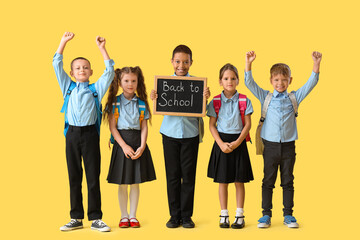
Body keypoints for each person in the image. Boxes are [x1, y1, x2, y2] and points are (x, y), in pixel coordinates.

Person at [244, 51, 322, 228]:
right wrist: (249, 63)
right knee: (267, 180)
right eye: (277, 80)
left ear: (290, 81)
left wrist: (316, 65)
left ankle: (288, 215)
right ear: (271, 81)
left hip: (288, 146)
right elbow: (249, 83)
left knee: (287, 180)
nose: (280, 83)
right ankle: (265, 215)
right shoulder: (266, 97)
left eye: (284, 80)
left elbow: (311, 83)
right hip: (269, 146)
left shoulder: (294, 98)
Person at [53, 32, 114, 232]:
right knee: (74, 176)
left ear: (91, 71)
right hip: (71, 135)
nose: (82, 70)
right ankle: (76, 218)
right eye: (78, 68)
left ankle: (96, 218)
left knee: (92, 175)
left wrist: (102, 48)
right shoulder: (67, 87)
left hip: (90, 135)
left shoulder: (96, 89)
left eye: (85, 67)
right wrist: (63, 42)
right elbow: (56, 64)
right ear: (72, 73)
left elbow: (110, 72)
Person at [150, 45, 210, 228]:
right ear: (172, 62)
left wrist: (205, 99)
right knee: (172, 176)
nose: (181, 65)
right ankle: (174, 215)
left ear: (191, 62)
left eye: (185, 62)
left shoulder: (198, 84)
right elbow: (160, 106)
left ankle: (187, 216)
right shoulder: (164, 83)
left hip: (191, 135)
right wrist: (155, 97)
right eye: (178, 61)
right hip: (169, 134)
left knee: (189, 176)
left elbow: (204, 112)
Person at [103, 66, 156, 228]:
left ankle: (133, 216)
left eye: (133, 81)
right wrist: (124, 146)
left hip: (137, 143)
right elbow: (113, 127)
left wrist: (142, 146)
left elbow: (144, 126)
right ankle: (123, 216)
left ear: (138, 82)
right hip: (122, 144)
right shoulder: (114, 103)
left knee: (135, 182)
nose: (130, 84)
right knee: (122, 182)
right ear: (119, 82)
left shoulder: (142, 104)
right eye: (126, 81)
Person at [207, 63, 254, 229]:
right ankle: (224, 214)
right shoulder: (215, 101)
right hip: (221, 143)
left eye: (233, 78)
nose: (229, 81)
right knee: (223, 181)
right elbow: (212, 125)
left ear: (238, 80)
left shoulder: (244, 100)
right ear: (220, 81)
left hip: (238, 142)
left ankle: (240, 215)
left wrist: (238, 142)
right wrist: (220, 143)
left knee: (239, 180)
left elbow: (247, 124)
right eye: (226, 78)